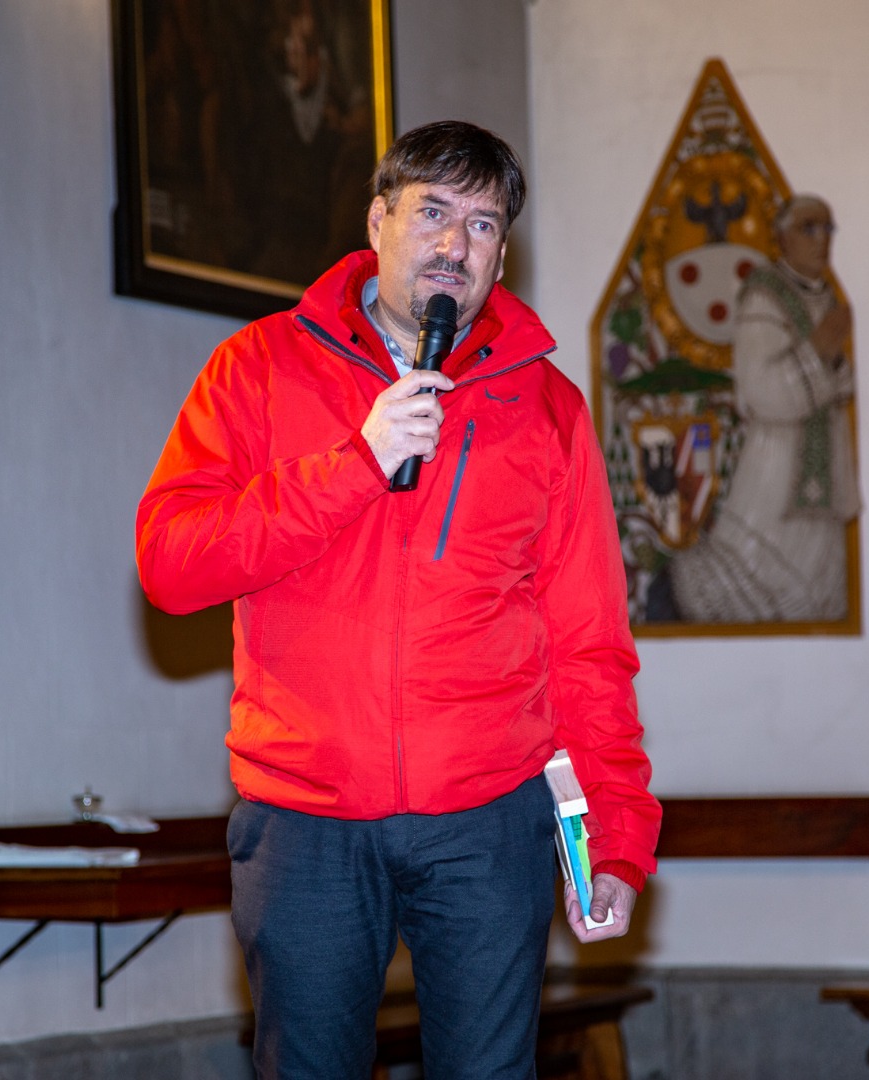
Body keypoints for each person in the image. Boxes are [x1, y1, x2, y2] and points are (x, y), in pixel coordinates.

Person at [136, 120, 660, 1079]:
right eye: (433, 213)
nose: (456, 244)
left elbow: (588, 643)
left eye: (484, 224)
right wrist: (357, 464)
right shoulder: (257, 368)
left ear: (502, 256)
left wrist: (617, 837)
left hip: (488, 819)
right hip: (305, 819)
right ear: (377, 221)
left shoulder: (548, 408)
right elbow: (171, 565)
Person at [666, 194, 858, 623]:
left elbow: (844, 383)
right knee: (755, 572)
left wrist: (831, 363)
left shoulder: (829, 299)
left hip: (825, 468)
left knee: (820, 590)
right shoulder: (764, 296)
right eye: (809, 228)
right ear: (782, 238)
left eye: (827, 229)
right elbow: (760, 390)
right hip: (776, 467)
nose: (822, 239)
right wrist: (819, 351)